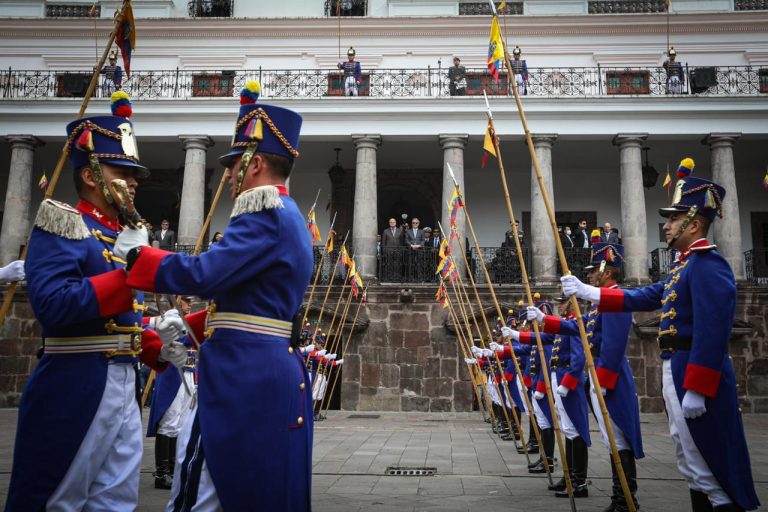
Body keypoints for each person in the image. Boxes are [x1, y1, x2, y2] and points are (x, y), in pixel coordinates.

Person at [115, 80, 315, 511]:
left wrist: (140, 258)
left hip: (241, 374)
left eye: (232, 165)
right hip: (265, 365)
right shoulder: (289, 214)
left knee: (200, 490)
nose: (227, 175)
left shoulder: (261, 209)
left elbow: (206, 274)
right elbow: (252, 304)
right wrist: (189, 327)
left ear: (255, 163)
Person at [5, 92, 188, 511]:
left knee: (115, 500)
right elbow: (54, 306)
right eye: (122, 169)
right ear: (91, 176)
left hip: (123, 384)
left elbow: (119, 324)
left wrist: (154, 344)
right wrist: (130, 274)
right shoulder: (61, 224)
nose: (136, 180)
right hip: (76, 382)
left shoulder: (121, 234)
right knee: (59, 498)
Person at [560, 165, 760, 512]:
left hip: (693, 375)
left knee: (711, 465)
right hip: (676, 369)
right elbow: (643, 296)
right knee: (691, 463)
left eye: (673, 218)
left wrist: (699, 385)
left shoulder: (708, 266)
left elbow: (713, 331)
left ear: (694, 223)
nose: (665, 226)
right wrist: (588, 291)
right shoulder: (684, 267)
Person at [528, 242, 643, 512]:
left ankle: (626, 498)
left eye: (593, 271)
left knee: (619, 438)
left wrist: (604, 380)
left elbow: (613, 346)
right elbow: (575, 328)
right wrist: (546, 320)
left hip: (610, 378)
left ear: (607, 270)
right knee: (609, 438)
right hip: (598, 378)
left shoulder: (614, 298)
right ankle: (620, 496)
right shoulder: (599, 304)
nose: (589, 276)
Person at [146, 295, 197, 490]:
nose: (189, 304)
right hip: (173, 375)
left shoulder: (186, 319)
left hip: (189, 373)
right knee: (169, 420)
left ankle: (174, 468)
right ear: (176, 300)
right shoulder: (170, 318)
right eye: (186, 300)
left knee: (181, 422)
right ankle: (161, 472)